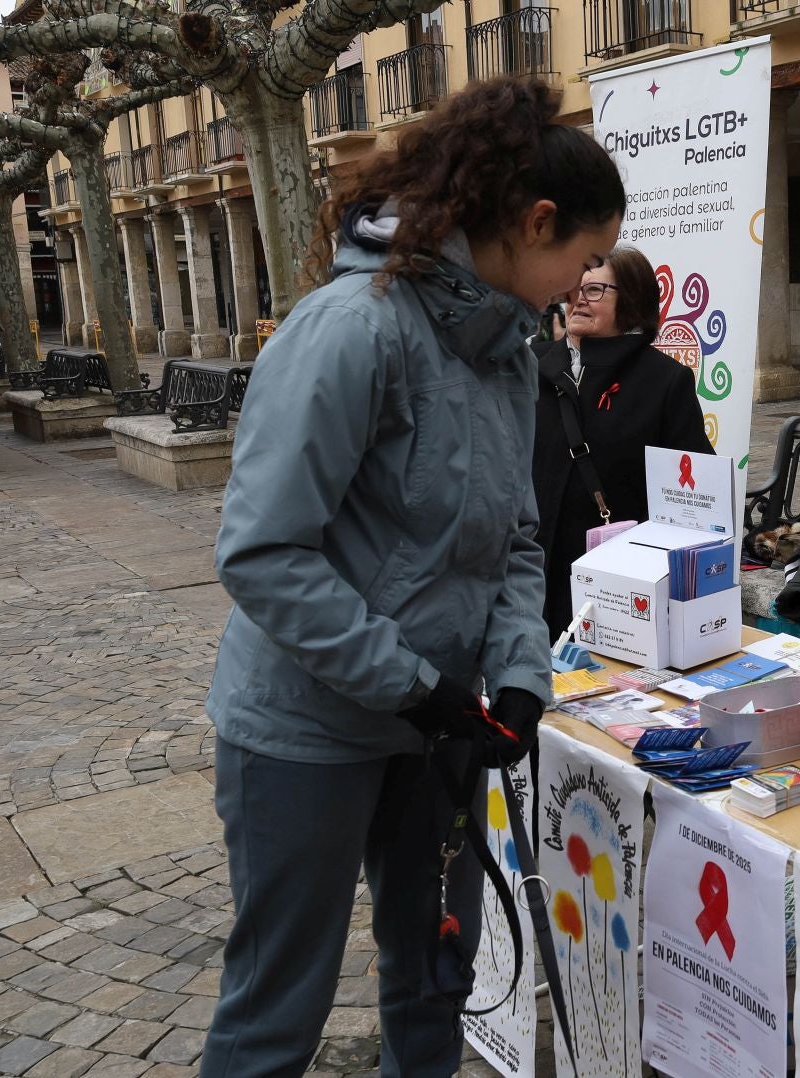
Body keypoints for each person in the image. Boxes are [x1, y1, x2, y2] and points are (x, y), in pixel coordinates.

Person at [199, 77, 624, 1078]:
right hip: (304, 732)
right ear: (533, 222)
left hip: (432, 732)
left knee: (437, 976)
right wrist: (416, 687)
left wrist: (518, 668)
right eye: (586, 257)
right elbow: (262, 552)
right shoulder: (353, 329)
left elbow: (517, 536)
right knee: (276, 1009)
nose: (585, 281)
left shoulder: (510, 352)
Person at [531, 246, 714, 636]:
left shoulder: (664, 381)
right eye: (573, 288)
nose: (578, 299)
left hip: (620, 584)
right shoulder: (531, 367)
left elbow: (692, 498)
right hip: (533, 570)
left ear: (631, 300)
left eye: (595, 290)